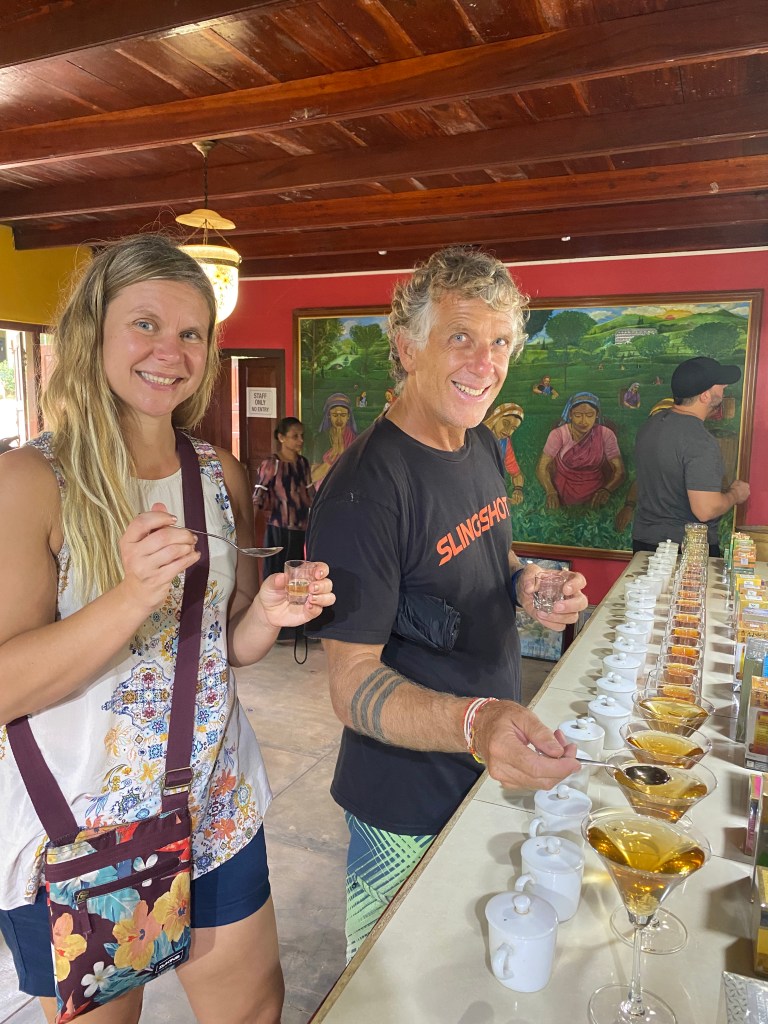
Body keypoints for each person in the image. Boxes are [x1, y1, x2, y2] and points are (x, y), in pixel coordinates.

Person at [0, 234, 336, 1024]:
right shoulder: (28, 482)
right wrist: (130, 597)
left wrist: (267, 615)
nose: (170, 352)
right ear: (94, 331)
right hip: (75, 834)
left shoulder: (219, 472)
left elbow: (224, 647)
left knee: (254, 1010)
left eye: (191, 333)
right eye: (145, 324)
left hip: (213, 807)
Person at [306, 245, 586, 961]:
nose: (484, 363)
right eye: (461, 336)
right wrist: (477, 722)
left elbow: (490, 557)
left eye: (501, 342)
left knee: (469, 964)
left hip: (483, 759)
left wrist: (527, 583)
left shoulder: (479, 443)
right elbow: (349, 685)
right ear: (407, 348)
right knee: (391, 982)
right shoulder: (365, 489)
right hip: (403, 799)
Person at [632, 355, 750, 556]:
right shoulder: (699, 440)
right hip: (687, 551)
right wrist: (734, 495)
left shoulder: (651, 425)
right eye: (719, 384)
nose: (724, 387)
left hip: (644, 544)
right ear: (705, 396)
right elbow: (705, 510)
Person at [536, 392, 625, 509]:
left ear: (597, 415)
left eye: (589, 415)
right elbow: (542, 467)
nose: (584, 421)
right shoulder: (558, 434)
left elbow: (619, 470)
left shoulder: (606, 434)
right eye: (578, 415)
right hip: (562, 491)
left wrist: (606, 490)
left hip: (596, 492)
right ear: (570, 415)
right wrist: (551, 491)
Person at [252, 416, 314, 581]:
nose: (301, 440)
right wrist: (248, 526)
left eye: (302, 436)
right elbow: (258, 496)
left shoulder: (303, 463)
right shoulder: (272, 463)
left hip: (300, 527)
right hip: (278, 527)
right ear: (281, 437)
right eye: (295, 436)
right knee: (275, 574)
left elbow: (310, 493)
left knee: (296, 574)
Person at [311, 393, 358, 485]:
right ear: (329, 415)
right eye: (335, 415)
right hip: (326, 488)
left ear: (348, 416)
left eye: (343, 415)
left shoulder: (356, 440)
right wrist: (333, 455)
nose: (339, 420)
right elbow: (313, 477)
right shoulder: (321, 439)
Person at [483, 401, 525, 504]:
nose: (508, 431)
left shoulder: (504, 443)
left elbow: (515, 472)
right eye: (505, 423)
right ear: (496, 418)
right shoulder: (475, 434)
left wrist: (518, 489)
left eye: (513, 428)